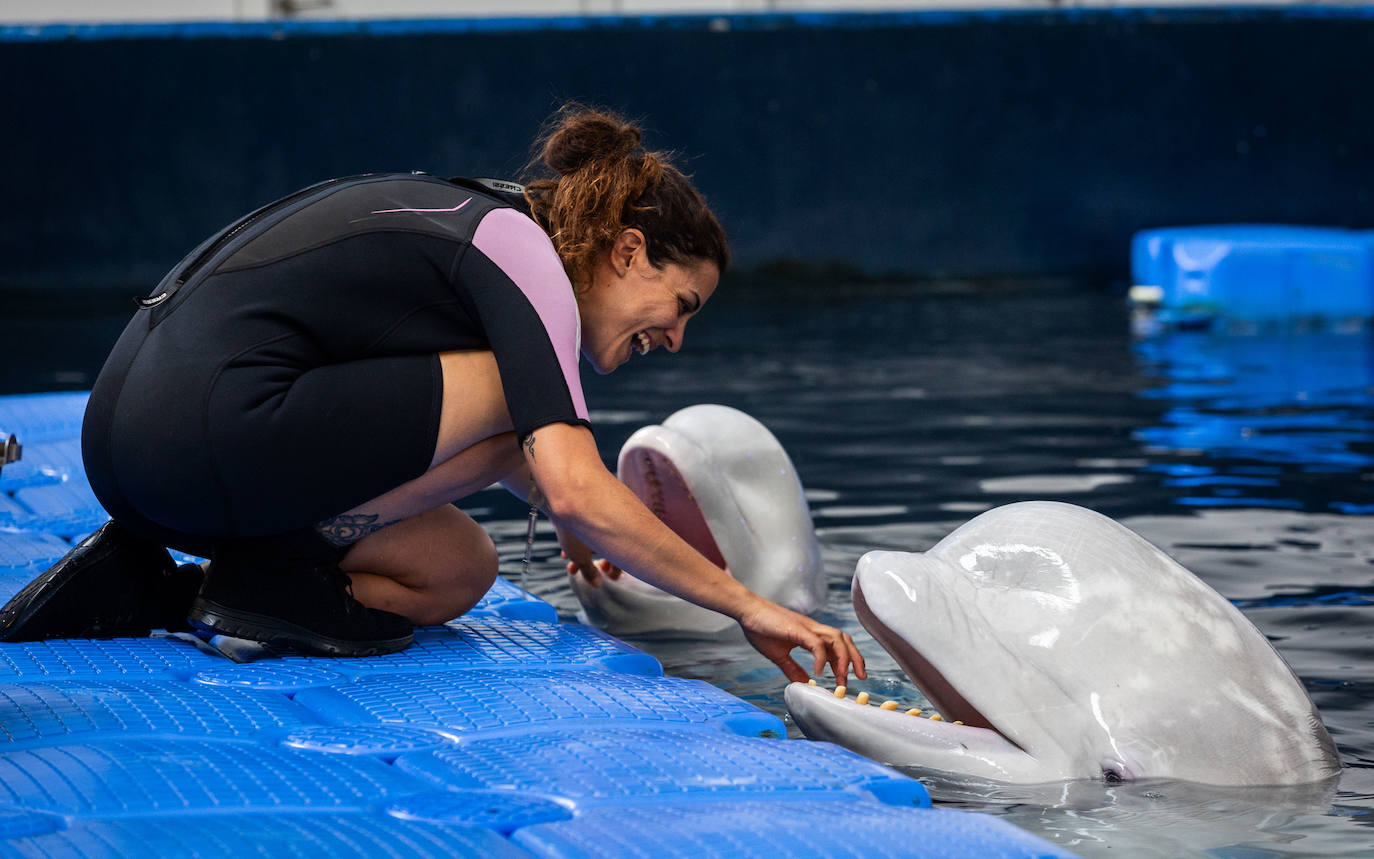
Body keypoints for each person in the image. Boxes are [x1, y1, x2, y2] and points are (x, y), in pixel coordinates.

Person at [0, 105, 864, 685]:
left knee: (461, 567)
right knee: (529, 425)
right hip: (189, 436)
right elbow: (570, 478)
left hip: (135, 447)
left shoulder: (485, 225)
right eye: (681, 307)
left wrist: (568, 519)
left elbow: (532, 474)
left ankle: (151, 589)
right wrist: (751, 605)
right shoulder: (521, 254)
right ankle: (268, 580)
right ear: (629, 250)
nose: (674, 339)